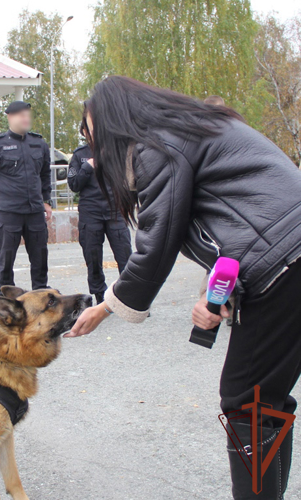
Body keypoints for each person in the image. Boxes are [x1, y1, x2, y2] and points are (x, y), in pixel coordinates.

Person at [65, 76, 301, 499]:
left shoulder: (159, 145)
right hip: (287, 260)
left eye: (90, 128)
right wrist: (215, 292)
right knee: (265, 400)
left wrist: (105, 307)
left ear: (113, 119)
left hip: (285, 266)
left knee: (245, 401)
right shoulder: (193, 129)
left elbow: (158, 242)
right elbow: (233, 228)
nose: (90, 140)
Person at [0, 101, 52, 295]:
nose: (25, 118)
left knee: (40, 256)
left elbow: (44, 174)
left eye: (27, 114)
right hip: (9, 212)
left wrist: (46, 200)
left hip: (35, 210)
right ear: (10, 117)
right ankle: (4, 294)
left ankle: (41, 293)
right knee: (6, 257)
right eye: (20, 115)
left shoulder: (39, 144)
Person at [68, 118, 132, 304]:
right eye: (90, 129)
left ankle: (130, 298)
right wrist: (87, 167)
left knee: (125, 256)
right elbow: (74, 185)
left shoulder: (118, 151)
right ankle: (100, 297)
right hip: (91, 212)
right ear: (84, 132)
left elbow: (130, 179)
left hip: (114, 211)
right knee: (93, 258)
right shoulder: (80, 155)